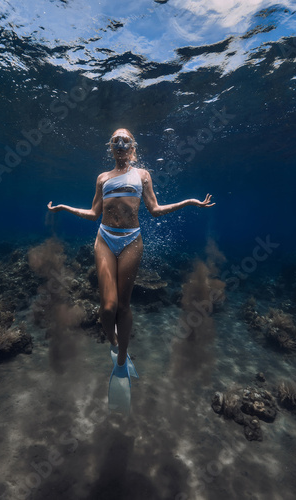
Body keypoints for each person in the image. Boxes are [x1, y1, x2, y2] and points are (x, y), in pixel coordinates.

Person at [47, 128, 215, 386]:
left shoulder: (143, 175)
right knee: (107, 308)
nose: (121, 144)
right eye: (116, 140)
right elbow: (94, 214)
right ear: (111, 147)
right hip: (104, 238)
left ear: (133, 147)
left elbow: (155, 210)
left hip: (131, 241)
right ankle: (114, 345)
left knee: (123, 306)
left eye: (126, 140)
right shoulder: (102, 178)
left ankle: (123, 361)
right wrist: (64, 207)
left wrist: (190, 202)